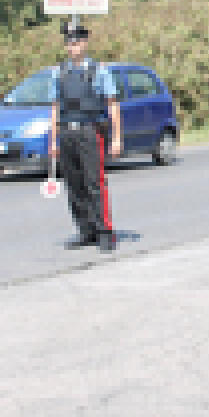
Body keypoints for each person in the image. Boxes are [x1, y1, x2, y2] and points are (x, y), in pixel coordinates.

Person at [49, 19, 124, 252]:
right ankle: (85, 230)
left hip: (90, 132)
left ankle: (105, 232)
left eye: (78, 42)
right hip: (67, 134)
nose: (74, 47)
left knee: (95, 183)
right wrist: (53, 140)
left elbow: (112, 105)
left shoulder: (99, 71)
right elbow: (54, 108)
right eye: (70, 43)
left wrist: (117, 138)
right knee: (74, 185)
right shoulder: (59, 73)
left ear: (85, 43)